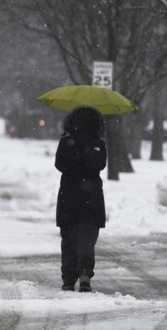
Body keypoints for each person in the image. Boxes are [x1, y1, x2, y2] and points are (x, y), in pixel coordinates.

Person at [55, 107, 107, 292]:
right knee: (87, 238)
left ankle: (68, 278)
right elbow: (101, 165)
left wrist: (73, 167)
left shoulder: (66, 142)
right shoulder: (98, 144)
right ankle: (85, 272)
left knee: (69, 237)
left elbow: (59, 165)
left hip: (69, 193)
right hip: (91, 195)